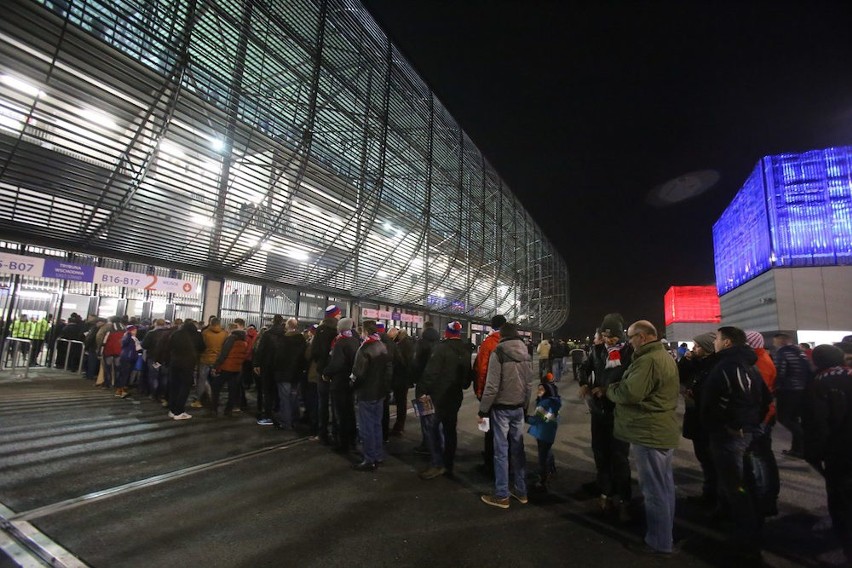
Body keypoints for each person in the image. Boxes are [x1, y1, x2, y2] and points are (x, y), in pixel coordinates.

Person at [604, 320, 679, 555]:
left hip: (649, 431)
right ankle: (664, 536)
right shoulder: (662, 356)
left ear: (644, 337)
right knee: (664, 488)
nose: (629, 341)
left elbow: (630, 393)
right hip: (658, 429)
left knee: (654, 491)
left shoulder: (648, 360)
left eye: (631, 336)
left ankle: (659, 543)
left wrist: (610, 389)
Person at [701, 326, 772, 563]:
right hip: (743, 433)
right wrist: (752, 424)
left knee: (738, 488)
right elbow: (765, 399)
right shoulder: (749, 365)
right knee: (741, 484)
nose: (715, 343)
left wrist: (733, 425)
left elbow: (712, 403)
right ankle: (745, 531)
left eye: (718, 339)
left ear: (728, 342)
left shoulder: (729, 367)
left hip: (729, 436)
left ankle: (746, 546)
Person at [580, 313, 633, 519]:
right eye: (605, 335)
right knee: (600, 454)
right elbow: (585, 368)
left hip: (619, 412)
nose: (608, 340)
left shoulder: (630, 352)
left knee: (619, 457)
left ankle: (625, 499)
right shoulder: (597, 350)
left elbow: (631, 381)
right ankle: (606, 494)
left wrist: (606, 389)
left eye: (612, 336)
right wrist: (584, 383)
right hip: (599, 411)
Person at [803, 344, 852, 565]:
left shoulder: (819, 383)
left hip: (840, 451)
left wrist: (813, 453)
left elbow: (818, 425)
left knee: (841, 499)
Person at [478, 322, 533, 508]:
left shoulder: (499, 352)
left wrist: (483, 409)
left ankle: (502, 494)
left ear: (502, 336)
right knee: (518, 449)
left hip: (501, 408)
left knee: (501, 451)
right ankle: (521, 490)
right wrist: (525, 405)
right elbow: (529, 384)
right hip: (518, 407)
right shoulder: (526, 352)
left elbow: (492, 386)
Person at [419, 321, 473, 480]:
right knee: (450, 431)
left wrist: (422, 391)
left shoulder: (441, 348)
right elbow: (467, 379)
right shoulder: (465, 350)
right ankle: (448, 464)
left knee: (433, 429)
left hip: (436, 397)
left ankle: (437, 464)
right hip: (454, 397)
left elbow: (431, 373)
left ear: (447, 333)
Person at [677, 332, 719, 506]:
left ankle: (714, 497)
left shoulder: (714, 366)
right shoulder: (696, 363)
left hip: (707, 421)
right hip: (696, 417)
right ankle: (710, 494)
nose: (693, 349)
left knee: (711, 461)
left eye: (697, 346)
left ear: (708, 348)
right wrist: (686, 361)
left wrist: (695, 395)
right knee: (704, 458)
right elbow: (678, 376)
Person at [350, 320, 392, 472]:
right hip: (380, 392)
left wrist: (352, 385)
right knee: (376, 425)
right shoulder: (382, 346)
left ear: (365, 332)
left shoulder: (364, 349)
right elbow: (388, 370)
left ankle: (369, 459)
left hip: (367, 392)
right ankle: (378, 454)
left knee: (366, 427)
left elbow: (358, 373)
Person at [473, 314, 506, 477]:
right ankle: (505, 463)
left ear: (492, 326)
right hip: (510, 395)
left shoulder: (489, 342)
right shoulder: (517, 343)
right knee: (505, 432)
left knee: (488, 429)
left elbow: (482, 369)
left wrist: (480, 392)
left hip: (491, 392)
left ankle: (489, 462)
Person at [772, 333, 813, 458]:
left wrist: (776, 388)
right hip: (801, 390)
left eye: (775, 341)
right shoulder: (800, 353)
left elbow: (779, 372)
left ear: (780, 341)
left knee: (784, 418)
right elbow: (808, 371)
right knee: (794, 418)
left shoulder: (782, 353)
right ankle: (797, 449)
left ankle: (802, 444)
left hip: (787, 390)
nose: (774, 343)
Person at [323, 317, 360, 452]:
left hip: (339, 382)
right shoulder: (355, 340)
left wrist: (326, 372)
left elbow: (336, 363)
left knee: (341, 414)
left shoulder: (341, 342)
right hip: (349, 382)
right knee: (350, 412)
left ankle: (343, 444)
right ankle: (352, 439)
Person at [311, 305, 341, 444]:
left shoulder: (320, 330)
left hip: (322, 371)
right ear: (335, 315)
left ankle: (322, 433)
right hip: (335, 373)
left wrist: (321, 367)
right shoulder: (339, 330)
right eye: (339, 313)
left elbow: (315, 352)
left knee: (322, 404)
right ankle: (336, 433)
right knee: (336, 404)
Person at [164, 320, 204, 420]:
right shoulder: (197, 335)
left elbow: (168, 347)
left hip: (174, 362)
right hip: (188, 364)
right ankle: (179, 411)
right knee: (185, 387)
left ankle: (172, 410)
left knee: (174, 386)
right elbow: (202, 347)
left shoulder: (176, 334)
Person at [528, 375, 561, 492]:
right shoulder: (554, 402)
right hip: (549, 433)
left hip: (543, 433)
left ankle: (543, 480)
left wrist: (526, 418)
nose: (538, 391)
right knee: (548, 452)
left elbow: (538, 419)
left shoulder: (544, 404)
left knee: (542, 458)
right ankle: (552, 470)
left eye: (541, 390)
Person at [412, 321, 440, 455]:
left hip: (423, 385)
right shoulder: (439, 344)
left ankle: (427, 444)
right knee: (433, 417)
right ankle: (434, 443)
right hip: (435, 386)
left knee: (425, 416)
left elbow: (416, 364)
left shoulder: (421, 343)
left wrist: (413, 379)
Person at [210, 323, 248, 417]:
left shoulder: (231, 339)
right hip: (237, 369)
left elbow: (224, 354)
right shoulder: (244, 342)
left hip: (227, 367)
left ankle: (214, 408)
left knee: (215, 386)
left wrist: (216, 366)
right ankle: (228, 410)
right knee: (232, 390)